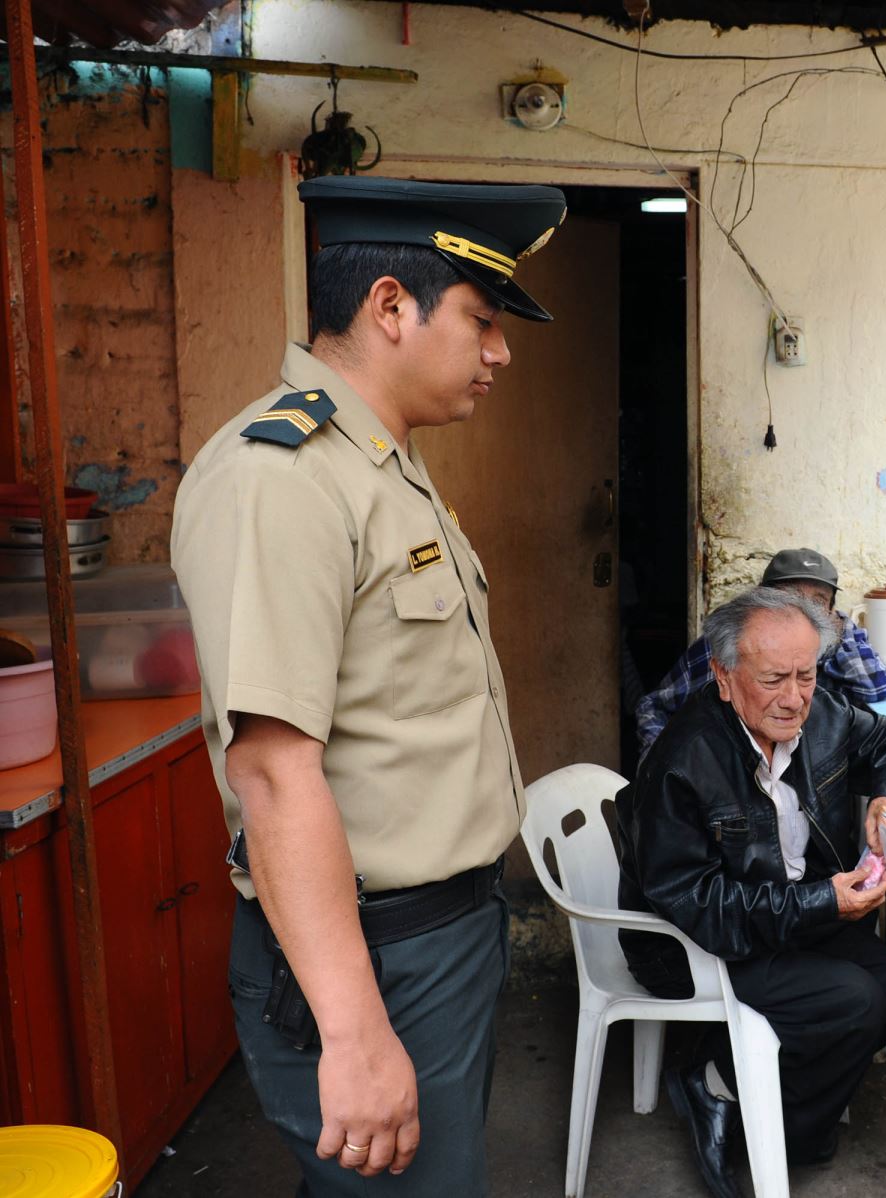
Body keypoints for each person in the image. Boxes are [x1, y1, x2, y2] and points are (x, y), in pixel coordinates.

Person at [170, 176, 566, 1194]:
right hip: (377, 953)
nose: (500, 352)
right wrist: (351, 1033)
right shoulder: (282, 476)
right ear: (391, 306)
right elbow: (271, 771)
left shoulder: (379, 464)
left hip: (441, 936)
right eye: (481, 319)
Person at [615, 585, 886, 1198]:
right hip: (698, 943)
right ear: (723, 676)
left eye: (805, 676)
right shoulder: (682, 760)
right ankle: (734, 1103)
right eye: (772, 680)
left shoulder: (822, 716)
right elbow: (696, 904)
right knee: (851, 1002)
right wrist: (823, 901)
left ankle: (748, 1100)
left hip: (788, 914)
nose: (793, 699)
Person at [634, 548, 886, 756]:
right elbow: (655, 707)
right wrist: (661, 770)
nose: (803, 611)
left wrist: (841, 633)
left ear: (830, 611)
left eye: (817, 603)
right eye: (791, 598)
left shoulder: (834, 638)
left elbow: (876, 688)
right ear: (762, 599)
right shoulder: (732, 643)